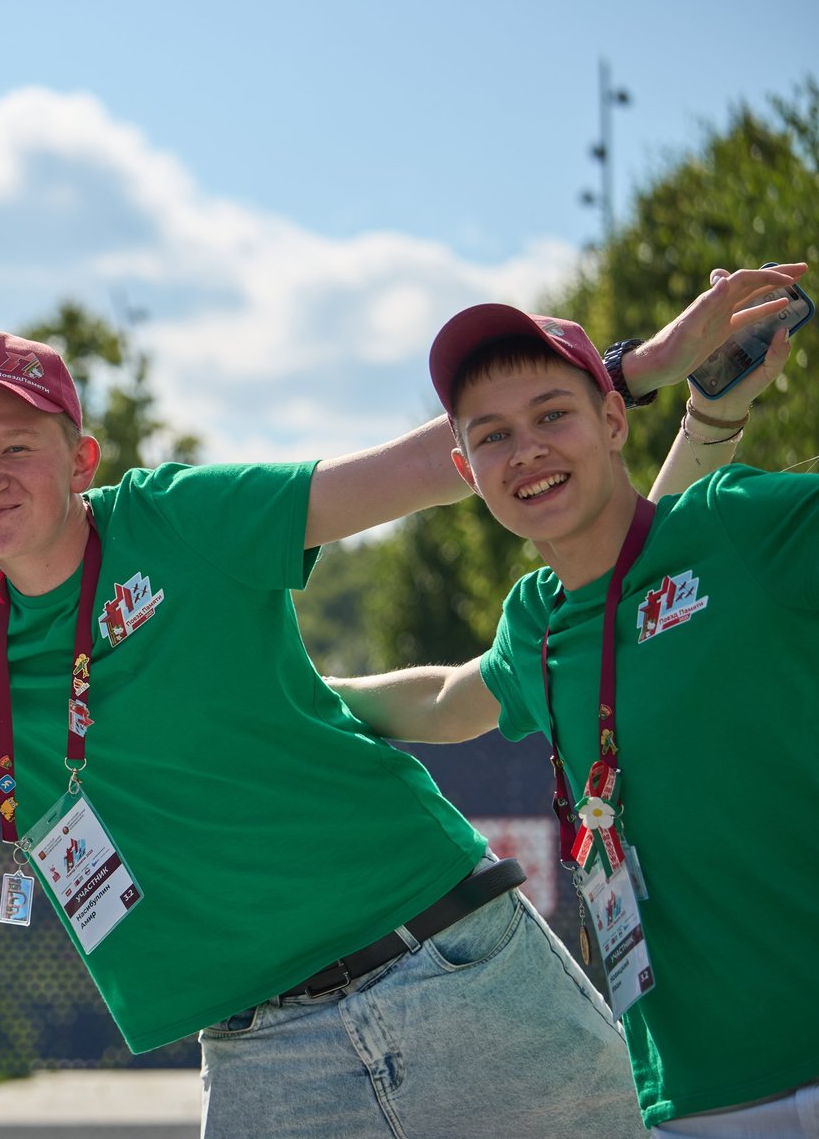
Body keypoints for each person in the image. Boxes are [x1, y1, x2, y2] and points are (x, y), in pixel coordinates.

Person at [0, 267, 806, 1137]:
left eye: (18, 443)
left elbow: (426, 465)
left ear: (82, 455)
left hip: (454, 972)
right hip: (265, 1053)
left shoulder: (179, 519)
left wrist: (640, 368)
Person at [328, 271, 819, 1136]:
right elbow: (447, 701)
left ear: (615, 419)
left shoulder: (736, 527)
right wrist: (296, 697)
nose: (527, 451)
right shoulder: (539, 621)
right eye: (494, 435)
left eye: (554, 415)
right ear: (465, 471)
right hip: (690, 1097)